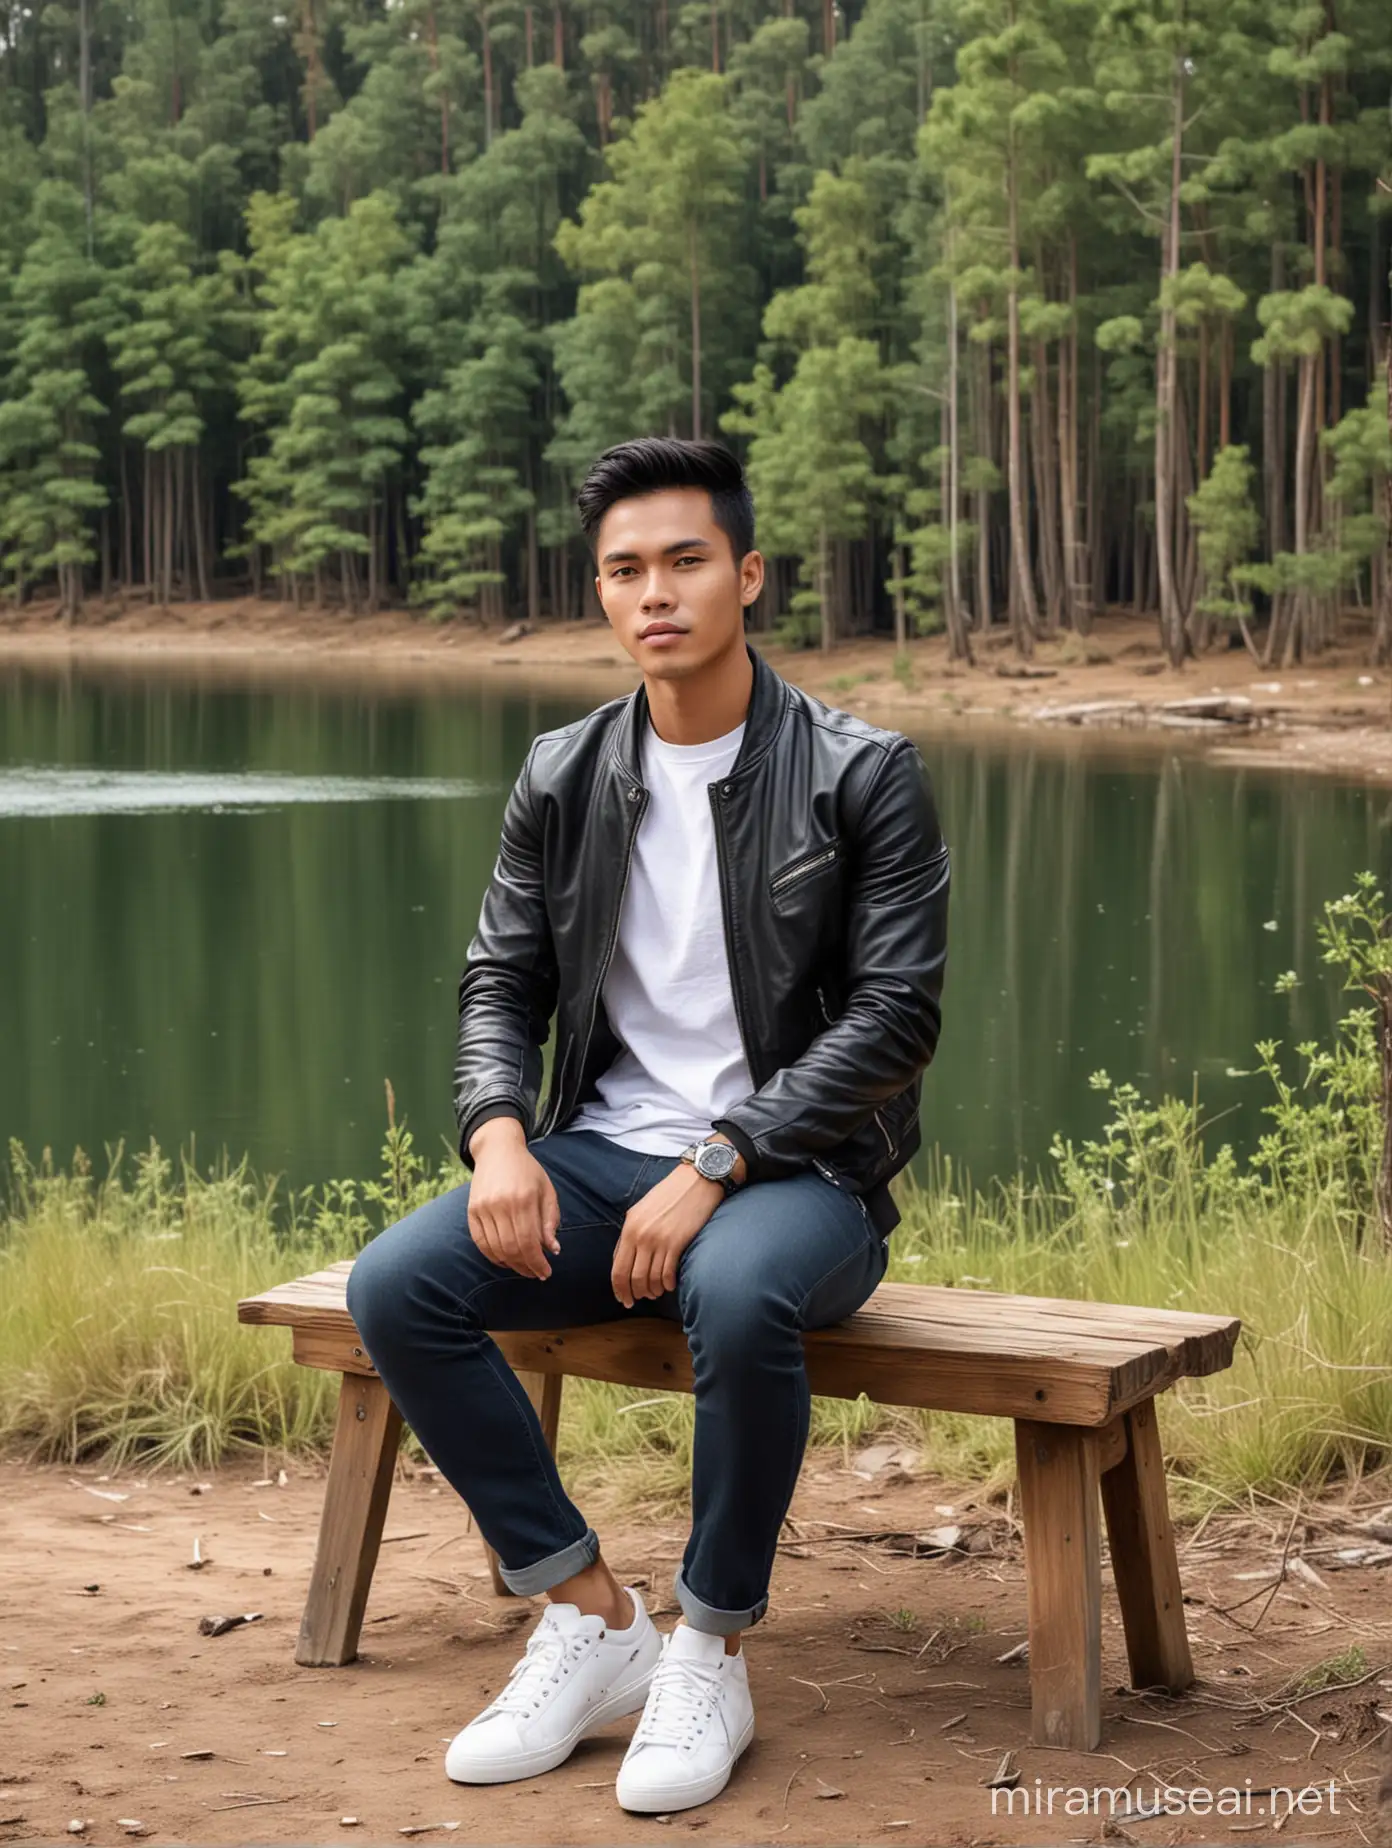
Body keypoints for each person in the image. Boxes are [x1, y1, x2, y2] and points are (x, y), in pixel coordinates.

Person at [346, 437, 950, 1816]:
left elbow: (896, 1018)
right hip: (595, 1154)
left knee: (736, 1293)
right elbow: (503, 978)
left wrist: (722, 1157)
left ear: (747, 575)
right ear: (602, 594)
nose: (654, 592)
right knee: (398, 1285)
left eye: (685, 561)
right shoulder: (564, 773)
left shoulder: (861, 774)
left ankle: (710, 1642)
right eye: (625, 569)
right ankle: (590, 1617)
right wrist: (497, 1133)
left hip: (805, 1173)